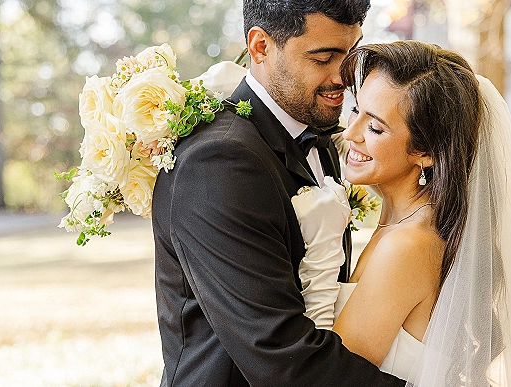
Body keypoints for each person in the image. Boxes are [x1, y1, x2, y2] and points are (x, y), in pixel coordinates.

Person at [293, 41, 511, 386]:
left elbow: (327, 379)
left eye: (376, 128)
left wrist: (320, 250)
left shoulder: (408, 246)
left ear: (425, 152)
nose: (351, 133)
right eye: (356, 111)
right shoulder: (410, 223)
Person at [152, 1, 406, 386]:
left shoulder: (317, 136)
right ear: (261, 47)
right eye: (323, 58)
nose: (344, 77)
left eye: (351, 54)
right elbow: (280, 354)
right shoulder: (219, 162)